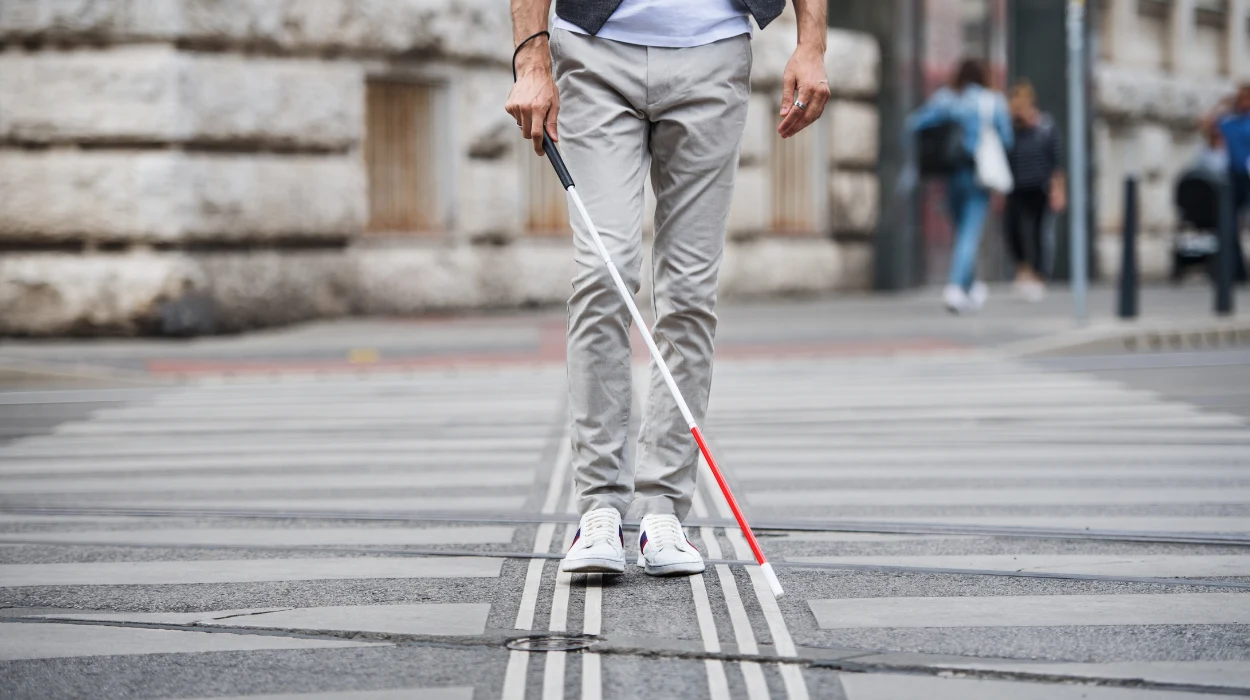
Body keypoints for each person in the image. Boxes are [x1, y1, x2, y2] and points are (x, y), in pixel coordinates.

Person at [505, 0, 830, 576]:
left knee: (687, 292)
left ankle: (663, 511)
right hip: (593, 50)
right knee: (606, 272)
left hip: (714, 53)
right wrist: (531, 59)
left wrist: (812, 44)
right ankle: (599, 508)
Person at [908, 59, 1013, 314]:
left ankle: (972, 286)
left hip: (951, 174)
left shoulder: (945, 99)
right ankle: (955, 288)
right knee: (970, 232)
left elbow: (915, 124)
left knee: (963, 231)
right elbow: (1007, 139)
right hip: (978, 176)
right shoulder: (991, 101)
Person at [1004, 80, 1065, 302]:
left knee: (1041, 233)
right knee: (1014, 232)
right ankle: (1023, 271)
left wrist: (1058, 189)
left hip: (1040, 186)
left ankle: (1039, 276)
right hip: (1015, 187)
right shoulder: (1010, 128)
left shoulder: (1045, 126)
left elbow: (1055, 160)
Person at [1208, 84, 1250, 282]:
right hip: (1234, 177)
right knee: (1230, 224)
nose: (1245, 104)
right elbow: (1207, 123)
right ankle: (1237, 271)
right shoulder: (1230, 122)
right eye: (1241, 100)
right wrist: (1222, 104)